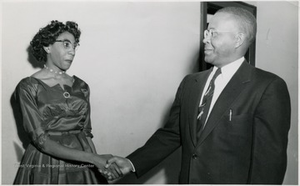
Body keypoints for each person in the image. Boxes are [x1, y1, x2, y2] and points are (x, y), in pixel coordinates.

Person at [105, 7, 291, 184]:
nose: (204, 40)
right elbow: (172, 134)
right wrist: (131, 163)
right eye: (205, 33)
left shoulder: (268, 87)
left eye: (213, 33)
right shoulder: (190, 83)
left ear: (238, 39)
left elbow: (269, 165)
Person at [13, 20, 121, 184]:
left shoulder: (82, 86)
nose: (72, 51)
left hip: (84, 164)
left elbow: (86, 134)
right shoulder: (28, 86)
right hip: (46, 162)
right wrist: (93, 158)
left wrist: (101, 167)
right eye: (66, 44)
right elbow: (41, 141)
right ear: (47, 47)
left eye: (74, 46)